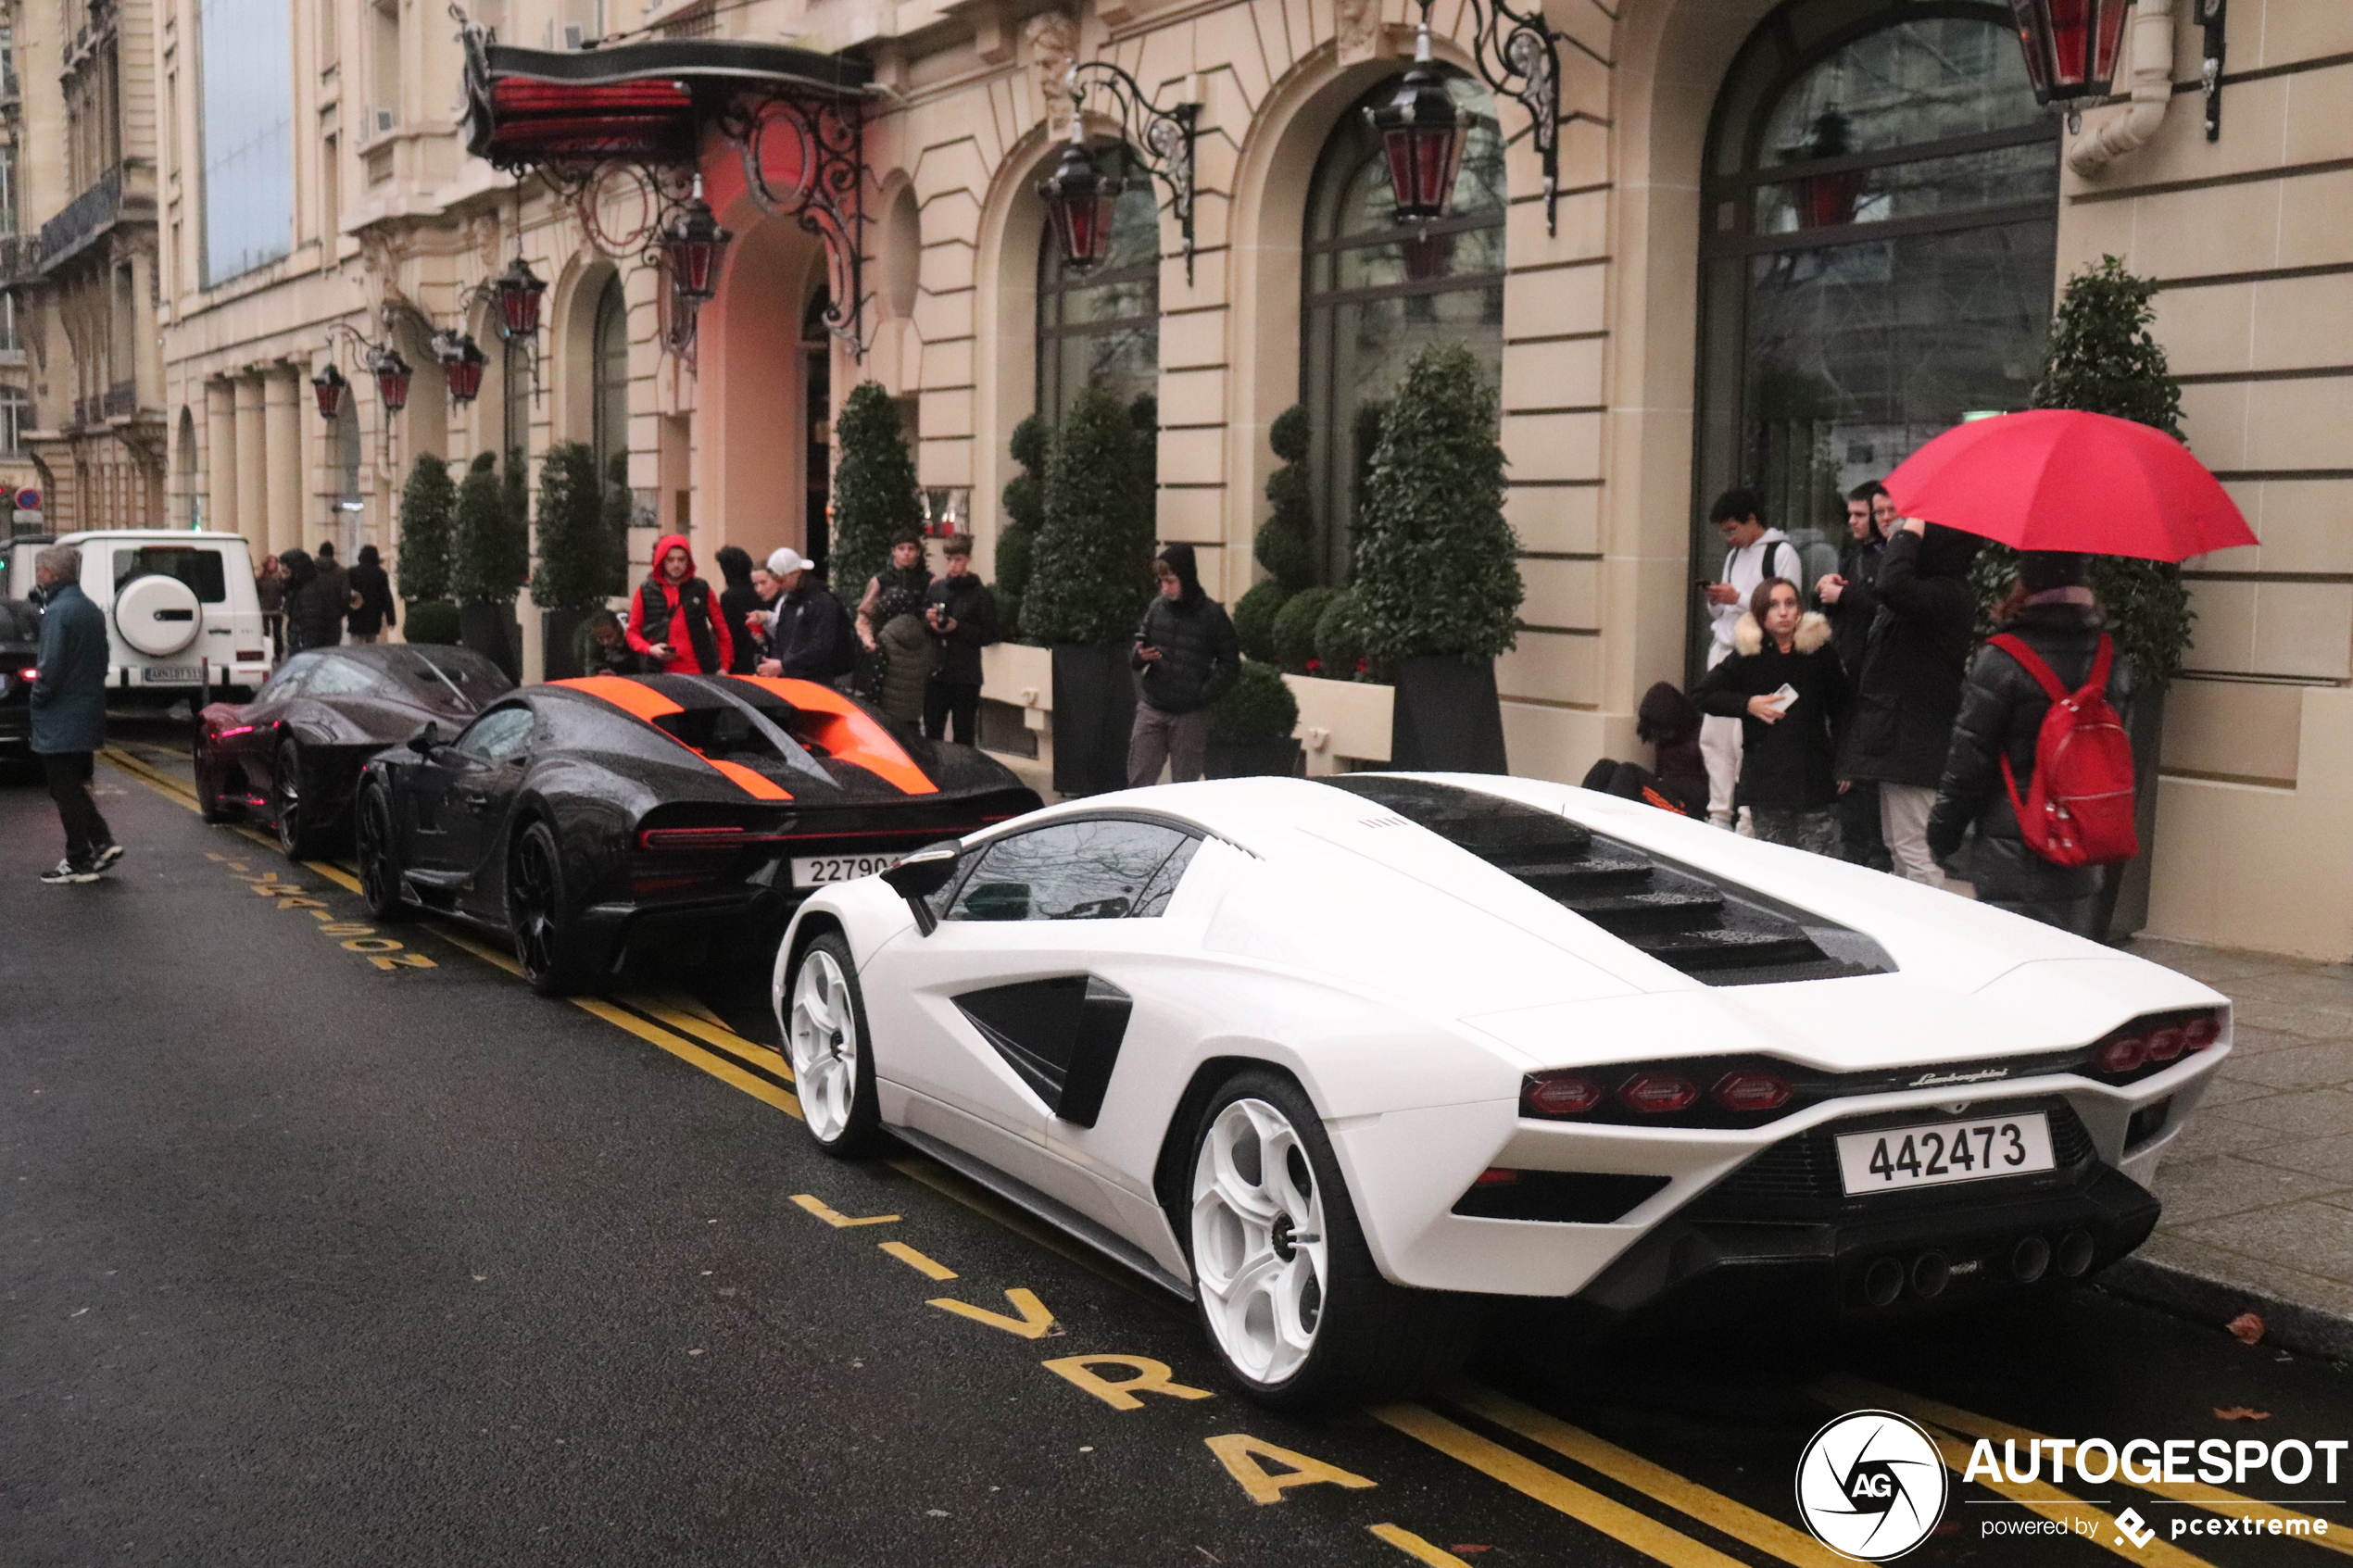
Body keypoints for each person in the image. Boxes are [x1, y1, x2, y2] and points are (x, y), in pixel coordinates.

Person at [1928, 552, 2133, 935]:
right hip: (2086, 846)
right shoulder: (2110, 657)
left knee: (2015, 970)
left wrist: (1943, 835)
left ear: (2025, 585)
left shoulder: (2002, 659)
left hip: (2016, 848)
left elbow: (1969, 760)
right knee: (2074, 971)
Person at [1838, 517, 1982, 889]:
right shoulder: (1929, 593)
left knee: (1916, 854)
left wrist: (1909, 530)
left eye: (1919, 536)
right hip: (1896, 738)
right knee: (1900, 849)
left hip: (1915, 742)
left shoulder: (1947, 593)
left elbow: (1891, 583)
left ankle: (1933, 938)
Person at [1694, 578, 1849, 854]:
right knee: (1776, 865)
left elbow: (1843, 709)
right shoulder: (1748, 655)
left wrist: (1845, 763)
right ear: (1760, 614)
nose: (1783, 612)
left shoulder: (1819, 652)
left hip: (1813, 778)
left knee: (1820, 868)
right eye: (1774, 605)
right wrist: (1748, 704)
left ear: (1800, 609)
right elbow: (1702, 694)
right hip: (1767, 781)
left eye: (1790, 603)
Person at [1697, 489, 1805, 829]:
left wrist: (1740, 597)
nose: (1730, 538)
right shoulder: (1733, 556)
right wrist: (1717, 600)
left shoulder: (1781, 553)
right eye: (1724, 532)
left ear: (1752, 520)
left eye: (1733, 529)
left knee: (1747, 739)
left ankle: (1748, 815)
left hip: (1759, 655)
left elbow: (1787, 607)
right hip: (1726, 648)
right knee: (1715, 736)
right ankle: (1719, 812)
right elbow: (1726, 611)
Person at [28, 545, 120, 884]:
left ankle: (79, 859)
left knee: (62, 787)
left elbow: (49, 668)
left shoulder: (57, 613)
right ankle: (101, 843)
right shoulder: (89, 610)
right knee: (71, 785)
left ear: (49, 574)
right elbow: (103, 660)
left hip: (59, 713)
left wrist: (37, 698)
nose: (38, 577)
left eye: (40, 571)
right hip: (87, 708)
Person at [1816, 481, 1894, 871]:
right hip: (1850, 681)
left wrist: (1844, 597)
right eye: (1854, 515)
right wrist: (1828, 593)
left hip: (1874, 687)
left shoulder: (1893, 561)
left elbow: (1886, 607)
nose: (1855, 522)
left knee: (1868, 806)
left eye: (1862, 515)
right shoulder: (1857, 557)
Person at [1127, 543, 1239, 788]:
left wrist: (1201, 696)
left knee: (1185, 786)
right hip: (1153, 705)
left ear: (1186, 578)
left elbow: (1230, 664)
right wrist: (1140, 656)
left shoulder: (1211, 615)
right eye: (1161, 582)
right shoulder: (1157, 608)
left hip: (1189, 714)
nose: (1165, 588)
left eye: (1171, 581)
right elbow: (1138, 649)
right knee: (1138, 779)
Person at [1579, 682, 1708, 817]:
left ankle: (1611, 824)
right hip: (1665, 794)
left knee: (1629, 772)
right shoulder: (1665, 740)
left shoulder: (1702, 734)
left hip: (1687, 808)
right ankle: (1580, 820)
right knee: (1605, 767)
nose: (1663, 737)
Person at [922, 535, 999, 745]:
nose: (952, 565)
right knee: (932, 730)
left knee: (964, 733)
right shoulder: (937, 589)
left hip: (966, 675)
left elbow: (990, 633)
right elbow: (922, 621)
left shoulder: (980, 595)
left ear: (968, 559)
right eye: (949, 559)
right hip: (937, 672)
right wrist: (931, 623)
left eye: (958, 560)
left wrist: (958, 627)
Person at [627, 533, 734, 675]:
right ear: (662, 561)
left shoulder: (701, 588)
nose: (676, 565)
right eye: (670, 560)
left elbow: (722, 630)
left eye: (681, 559)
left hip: (700, 671)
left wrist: (724, 667)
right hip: (659, 673)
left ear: (688, 561)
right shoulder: (645, 591)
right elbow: (632, 633)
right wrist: (649, 649)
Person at [755, 547, 852, 683]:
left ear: (796, 573)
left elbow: (821, 647)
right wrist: (774, 665)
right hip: (793, 678)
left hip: (819, 680)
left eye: (781, 580)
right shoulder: (789, 602)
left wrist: (784, 666)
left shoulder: (822, 601)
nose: (780, 585)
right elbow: (781, 640)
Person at [856, 533, 932, 652]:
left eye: (911, 548)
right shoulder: (880, 580)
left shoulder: (929, 580)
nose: (906, 553)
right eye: (901, 548)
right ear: (893, 551)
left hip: (920, 644)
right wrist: (868, 639)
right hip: (885, 642)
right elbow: (865, 615)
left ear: (918, 552)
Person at [868, 583, 931, 723]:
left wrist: (871, 708)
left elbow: (877, 679)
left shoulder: (885, 637)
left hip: (887, 714)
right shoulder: (922, 634)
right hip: (912, 713)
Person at [280, 549, 345, 655]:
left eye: (286, 572)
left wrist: (306, 656)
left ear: (297, 572)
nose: (282, 577)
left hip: (309, 654)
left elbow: (312, 630)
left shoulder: (309, 594)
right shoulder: (301, 590)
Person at [713, 545, 761, 674]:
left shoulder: (728, 597)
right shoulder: (760, 591)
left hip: (738, 661)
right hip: (759, 655)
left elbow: (727, 632)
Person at [346, 544, 396, 645]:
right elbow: (386, 597)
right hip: (373, 617)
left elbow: (345, 594)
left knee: (356, 649)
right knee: (371, 647)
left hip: (356, 616)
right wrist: (391, 618)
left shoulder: (352, 572)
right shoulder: (380, 574)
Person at [314, 541, 352, 639]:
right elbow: (345, 595)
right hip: (334, 616)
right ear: (333, 554)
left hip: (314, 615)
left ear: (319, 553)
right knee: (333, 648)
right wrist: (342, 612)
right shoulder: (342, 572)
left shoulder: (311, 571)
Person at [256, 553, 285, 659]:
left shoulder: (280, 577)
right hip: (265, 609)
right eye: (271, 562)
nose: (273, 564)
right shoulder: (260, 578)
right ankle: (267, 653)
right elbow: (257, 592)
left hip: (277, 609)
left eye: (275, 562)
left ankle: (278, 653)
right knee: (266, 632)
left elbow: (284, 591)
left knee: (278, 633)